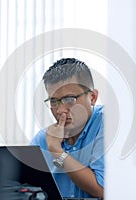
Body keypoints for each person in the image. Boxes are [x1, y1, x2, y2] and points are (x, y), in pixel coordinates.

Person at [31, 58, 104, 199]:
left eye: (69, 99)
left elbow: (102, 189)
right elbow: (22, 188)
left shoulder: (106, 123)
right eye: (54, 101)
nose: (60, 110)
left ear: (93, 97)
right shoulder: (43, 138)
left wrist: (57, 151)